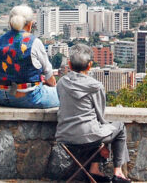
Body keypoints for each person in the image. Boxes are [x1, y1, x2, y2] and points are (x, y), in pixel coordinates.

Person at [56, 44, 131, 183]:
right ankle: (118, 172)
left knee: (95, 129)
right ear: (89, 65)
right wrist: (105, 145)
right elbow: (100, 114)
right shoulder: (95, 86)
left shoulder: (61, 83)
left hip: (65, 136)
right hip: (89, 137)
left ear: (70, 65)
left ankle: (94, 169)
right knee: (119, 127)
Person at [0, 5, 59, 108]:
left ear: (10, 23)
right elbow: (50, 78)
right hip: (28, 97)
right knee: (66, 94)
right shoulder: (33, 42)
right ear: (30, 24)